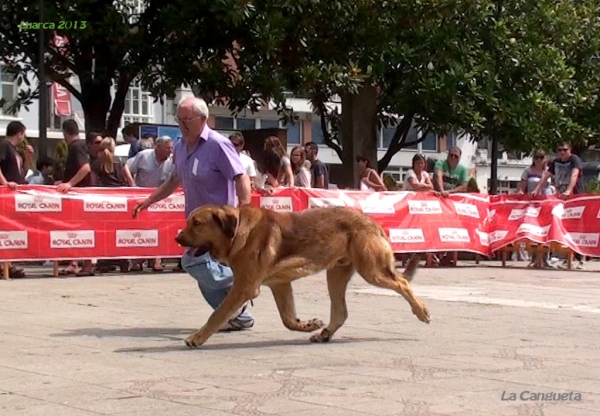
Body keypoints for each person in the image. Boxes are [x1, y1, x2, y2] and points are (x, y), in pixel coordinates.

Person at [131, 96, 254, 331]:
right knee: (201, 274)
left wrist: (245, 209)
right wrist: (148, 201)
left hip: (219, 225)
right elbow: (173, 180)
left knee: (191, 262)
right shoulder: (179, 147)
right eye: (179, 119)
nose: (182, 124)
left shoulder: (218, 145)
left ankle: (247, 280)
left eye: (187, 119)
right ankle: (238, 315)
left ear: (203, 119)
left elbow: (241, 177)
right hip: (196, 225)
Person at [532, 141, 585, 269]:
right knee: (562, 226)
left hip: (575, 196)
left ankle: (579, 258)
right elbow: (546, 175)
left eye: (564, 150)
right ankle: (565, 257)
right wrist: (537, 188)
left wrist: (568, 190)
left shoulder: (574, 159)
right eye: (559, 150)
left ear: (570, 150)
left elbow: (574, 174)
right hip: (560, 198)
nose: (562, 152)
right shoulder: (555, 162)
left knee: (575, 226)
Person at [127, 135, 175, 272]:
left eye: (171, 148)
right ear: (158, 147)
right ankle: (136, 261)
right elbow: (126, 167)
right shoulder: (143, 156)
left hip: (159, 199)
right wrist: (132, 186)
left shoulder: (171, 162)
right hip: (141, 199)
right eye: (167, 148)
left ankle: (156, 261)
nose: (170, 151)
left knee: (159, 229)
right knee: (138, 230)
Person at [57, 120, 94, 277]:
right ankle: (75, 262)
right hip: (80, 194)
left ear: (65, 132)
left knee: (82, 230)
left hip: (80, 196)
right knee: (77, 230)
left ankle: (86, 263)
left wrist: (70, 183)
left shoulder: (76, 147)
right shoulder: (79, 146)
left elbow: (85, 168)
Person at [0, 121, 28, 189]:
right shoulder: (4, 145)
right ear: (19, 135)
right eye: (23, 134)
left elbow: (23, 171)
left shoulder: (16, 149)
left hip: (17, 187)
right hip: (8, 189)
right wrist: (5, 183)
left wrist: (28, 156)